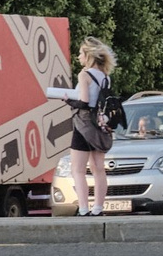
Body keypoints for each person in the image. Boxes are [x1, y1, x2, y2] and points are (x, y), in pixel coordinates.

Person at [53, 38, 116, 216]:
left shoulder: (84, 75)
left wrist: (67, 100)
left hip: (83, 124)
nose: (78, 56)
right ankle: (98, 208)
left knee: (78, 169)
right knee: (98, 168)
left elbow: (84, 102)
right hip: (100, 125)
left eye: (81, 53)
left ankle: (83, 209)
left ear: (89, 55)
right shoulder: (105, 77)